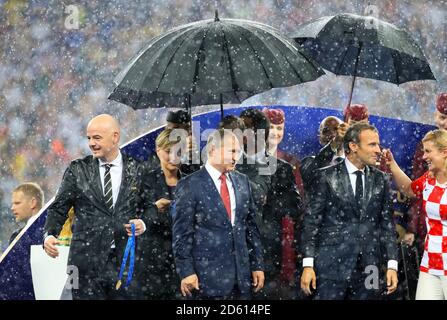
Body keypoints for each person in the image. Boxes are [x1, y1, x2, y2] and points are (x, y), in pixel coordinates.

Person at [43, 114, 151, 300]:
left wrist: (143, 222)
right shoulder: (77, 169)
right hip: (84, 265)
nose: (91, 143)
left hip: (126, 263)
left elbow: (151, 206)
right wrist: (50, 234)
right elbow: (58, 208)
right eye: (89, 138)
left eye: (97, 138)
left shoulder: (138, 168)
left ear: (115, 137)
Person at [301, 123, 398, 300]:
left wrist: (392, 265)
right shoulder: (325, 176)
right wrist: (308, 264)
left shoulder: (382, 179)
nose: (378, 150)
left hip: (371, 267)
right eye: (372, 144)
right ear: (353, 146)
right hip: (331, 264)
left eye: (378, 144)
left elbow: (387, 226)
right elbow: (311, 223)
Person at [172, 129, 264, 299]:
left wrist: (257, 264)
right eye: (232, 151)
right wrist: (186, 271)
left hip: (242, 279)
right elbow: (181, 235)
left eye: (239, 152)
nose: (237, 157)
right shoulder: (189, 185)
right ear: (213, 150)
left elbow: (251, 228)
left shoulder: (243, 181)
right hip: (206, 280)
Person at [238, 108, 303, 299]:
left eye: (244, 129)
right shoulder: (227, 165)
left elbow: (295, 206)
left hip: (266, 252)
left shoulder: (282, 169)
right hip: (231, 255)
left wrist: (270, 204)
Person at [385, 129, 447, 300]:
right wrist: (392, 164)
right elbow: (410, 189)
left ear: (444, 152)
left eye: (428, 151)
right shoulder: (429, 178)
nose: (423, 156)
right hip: (430, 262)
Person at [262, 107, 304, 289]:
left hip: (282, 231)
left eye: (280, 128)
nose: (276, 132)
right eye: (272, 127)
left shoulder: (290, 161)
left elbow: (298, 200)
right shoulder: (245, 159)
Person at [139, 128, 182, 299]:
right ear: (158, 151)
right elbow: (137, 218)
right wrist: (154, 209)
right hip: (152, 262)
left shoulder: (190, 181)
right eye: (168, 151)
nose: (173, 156)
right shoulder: (144, 180)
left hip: (182, 262)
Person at [405, 93, 447, 253]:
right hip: (428, 225)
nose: (446, 124)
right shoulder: (425, 146)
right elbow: (417, 190)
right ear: (435, 115)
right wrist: (412, 228)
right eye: (443, 117)